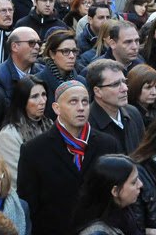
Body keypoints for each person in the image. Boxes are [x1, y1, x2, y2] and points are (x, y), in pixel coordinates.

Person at [17, 80, 121, 235]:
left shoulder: (108, 144)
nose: (81, 108)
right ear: (56, 108)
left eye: (85, 102)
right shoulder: (34, 150)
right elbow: (29, 205)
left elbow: (117, 195)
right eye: (73, 102)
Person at [70, 154, 144, 235]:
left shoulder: (125, 213)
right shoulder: (97, 232)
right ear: (115, 191)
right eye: (133, 182)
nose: (140, 184)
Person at [86, 59, 146, 154]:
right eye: (116, 84)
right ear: (97, 91)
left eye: (124, 82)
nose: (125, 88)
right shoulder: (86, 124)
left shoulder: (133, 113)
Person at [35, 30, 85, 117]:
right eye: (65, 51)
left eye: (74, 51)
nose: (72, 56)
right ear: (52, 54)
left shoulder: (82, 82)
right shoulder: (38, 82)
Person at [0, 27, 44, 100]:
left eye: (39, 43)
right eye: (31, 43)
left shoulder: (43, 72)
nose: (37, 47)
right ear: (14, 46)